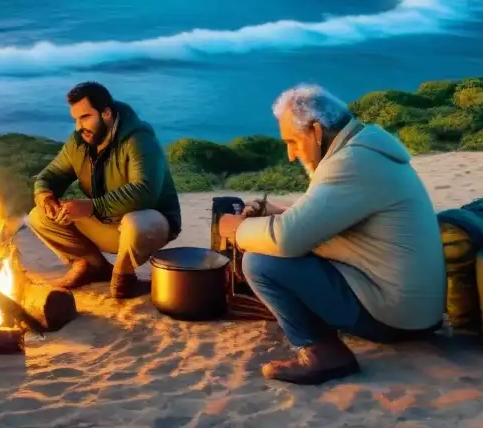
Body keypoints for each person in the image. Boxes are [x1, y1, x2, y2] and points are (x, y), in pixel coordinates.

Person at [218, 84, 446, 385]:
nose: (290, 155)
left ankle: (322, 354)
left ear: (314, 130)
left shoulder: (353, 163)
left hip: (395, 318)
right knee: (286, 246)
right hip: (414, 309)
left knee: (262, 262)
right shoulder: (366, 151)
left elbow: (287, 238)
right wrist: (275, 210)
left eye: (292, 141)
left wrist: (235, 229)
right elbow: (328, 215)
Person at [28, 82, 182, 299]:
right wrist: (44, 195)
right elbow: (49, 176)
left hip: (150, 225)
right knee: (38, 215)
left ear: (106, 113)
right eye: (76, 119)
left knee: (136, 222)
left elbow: (144, 192)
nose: (79, 126)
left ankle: (124, 276)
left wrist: (92, 207)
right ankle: (91, 265)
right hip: (107, 224)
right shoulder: (79, 142)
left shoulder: (140, 140)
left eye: (85, 117)